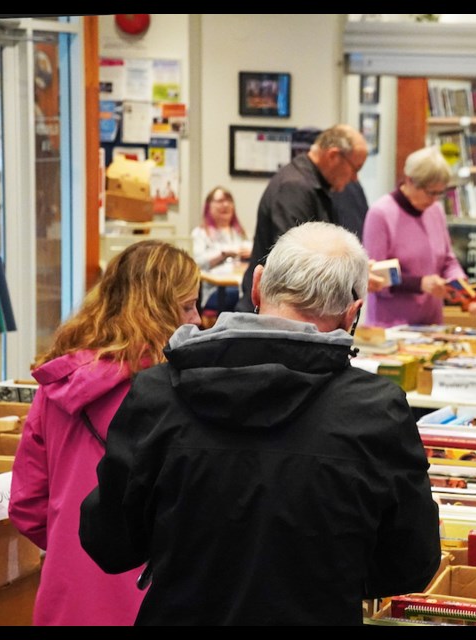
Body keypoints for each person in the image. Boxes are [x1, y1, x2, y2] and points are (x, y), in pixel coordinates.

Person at [79, 221, 442, 625]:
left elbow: (107, 542)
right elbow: (411, 563)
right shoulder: (377, 411)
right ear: (352, 314)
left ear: (257, 286)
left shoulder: (157, 393)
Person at [8, 241, 201, 626]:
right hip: (155, 600)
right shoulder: (183, 392)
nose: (197, 319)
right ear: (157, 311)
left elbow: (27, 504)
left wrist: (73, 548)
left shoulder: (56, 385)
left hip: (65, 599)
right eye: (187, 306)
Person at [235, 124, 369, 311]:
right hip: (274, 311)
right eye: (356, 168)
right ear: (333, 156)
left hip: (289, 308)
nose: (355, 178)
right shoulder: (294, 187)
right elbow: (298, 265)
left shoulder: (314, 184)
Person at [362, 145, 476, 327]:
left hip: (431, 323)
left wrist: (457, 282)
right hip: (391, 326)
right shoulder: (380, 214)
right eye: (430, 192)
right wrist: (420, 284)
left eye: (440, 193)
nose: (434, 199)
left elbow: (447, 260)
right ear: (409, 181)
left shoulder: (435, 211)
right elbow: (374, 277)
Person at [192, 186, 252, 313]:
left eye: (229, 201)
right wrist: (224, 253)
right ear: (209, 206)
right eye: (220, 201)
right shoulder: (200, 233)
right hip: (215, 289)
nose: (225, 205)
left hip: (239, 283)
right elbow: (198, 263)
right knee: (242, 298)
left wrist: (250, 254)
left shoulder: (240, 232)